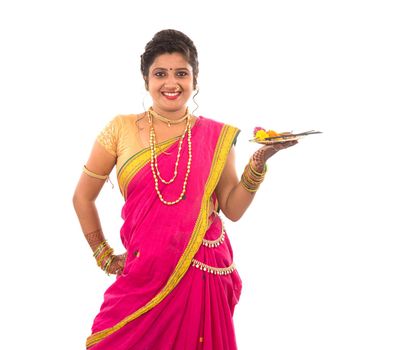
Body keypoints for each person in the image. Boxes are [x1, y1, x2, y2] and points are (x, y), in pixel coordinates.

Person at [73, 29, 297, 350]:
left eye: (181, 73)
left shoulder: (216, 137)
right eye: (160, 74)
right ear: (146, 79)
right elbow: (83, 196)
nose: (171, 83)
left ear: (195, 78)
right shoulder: (120, 129)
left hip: (201, 270)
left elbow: (232, 208)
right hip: (144, 273)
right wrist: (104, 256)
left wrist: (259, 161)